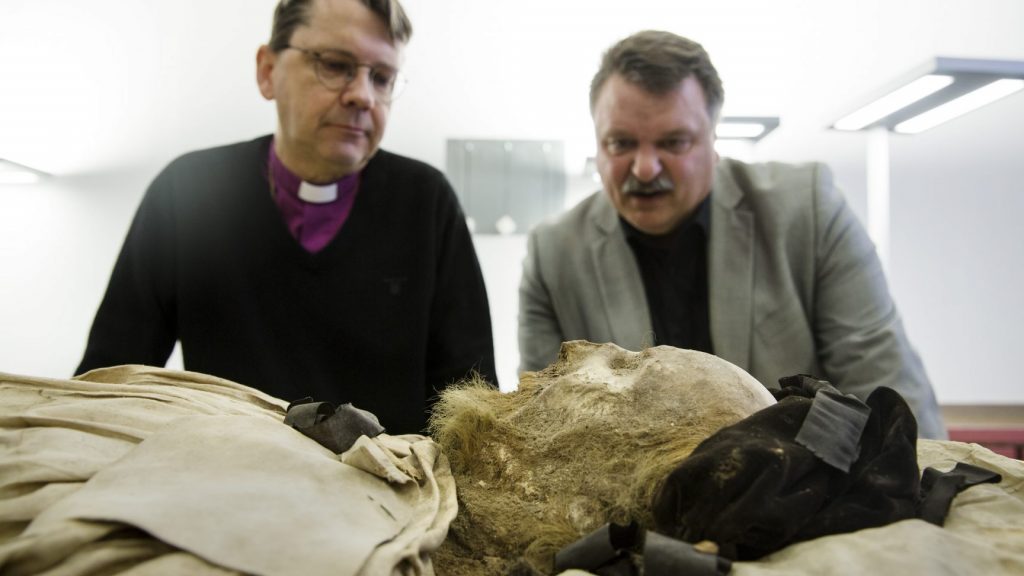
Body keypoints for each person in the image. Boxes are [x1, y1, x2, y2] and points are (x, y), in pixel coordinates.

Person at [77, 0, 497, 434]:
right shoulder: (186, 193)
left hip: (392, 490)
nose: (362, 95)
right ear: (267, 70)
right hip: (222, 482)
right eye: (335, 65)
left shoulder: (426, 203)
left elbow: (471, 409)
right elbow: (107, 388)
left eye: (382, 77)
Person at [517, 30, 946, 439]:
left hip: (803, 496)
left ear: (713, 141)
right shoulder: (552, 254)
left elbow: (887, 391)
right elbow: (545, 425)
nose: (645, 168)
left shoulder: (809, 211)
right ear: (597, 142)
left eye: (673, 142)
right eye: (620, 143)